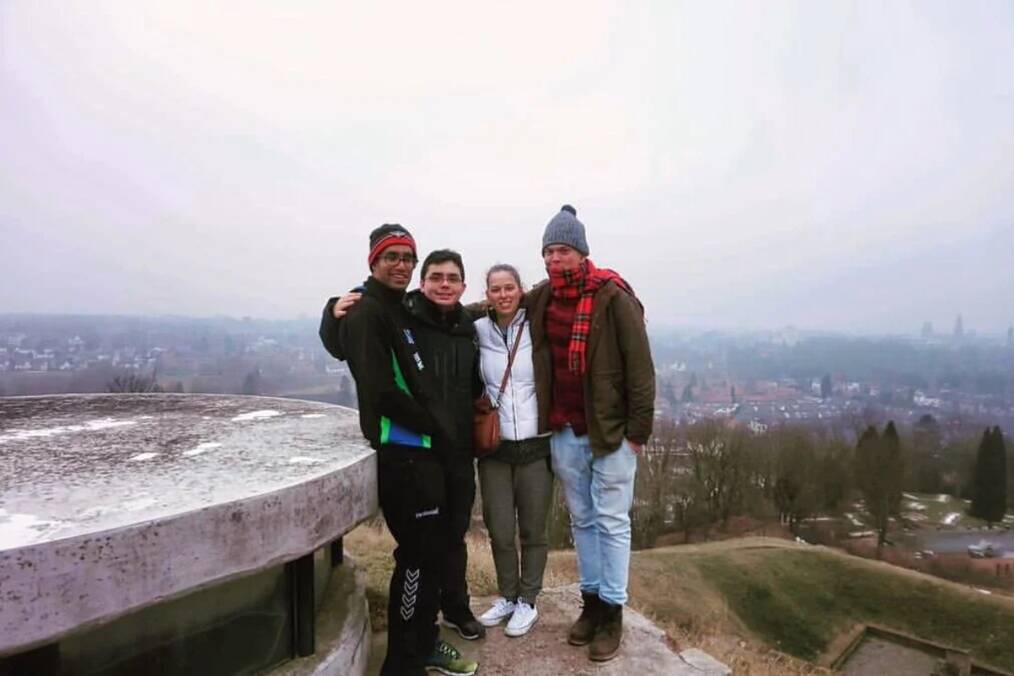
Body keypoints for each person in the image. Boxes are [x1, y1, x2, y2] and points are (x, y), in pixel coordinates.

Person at [319, 225, 478, 676]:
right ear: (373, 261)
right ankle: (402, 665)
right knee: (415, 560)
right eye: (392, 257)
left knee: (430, 558)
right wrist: (439, 427)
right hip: (404, 452)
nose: (402, 265)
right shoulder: (367, 311)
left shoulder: (397, 308)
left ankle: (423, 644)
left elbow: (451, 313)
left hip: (429, 454)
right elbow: (380, 390)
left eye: (408, 257)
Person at [526, 205, 655, 662]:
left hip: (612, 432)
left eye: (563, 250)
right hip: (565, 430)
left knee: (612, 521)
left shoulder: (612, 297)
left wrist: (637, 432)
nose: (554, 259)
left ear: (582, 254)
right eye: (548, 251)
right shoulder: (542, 297)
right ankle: (592, 603)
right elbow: (496, 304)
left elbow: (640, 368)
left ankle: (613, 612)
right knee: (582, 521)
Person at [472, 264, 553, 638]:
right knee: (500, 529)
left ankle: (528, 600)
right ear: (485, 294)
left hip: (536, 446)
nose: (503, 295)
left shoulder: (538, 326)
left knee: (533, 529)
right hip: (495, 449)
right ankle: (507, 594)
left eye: (509, 288)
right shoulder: (476, 331)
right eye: (495, 289)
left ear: (521, 290)